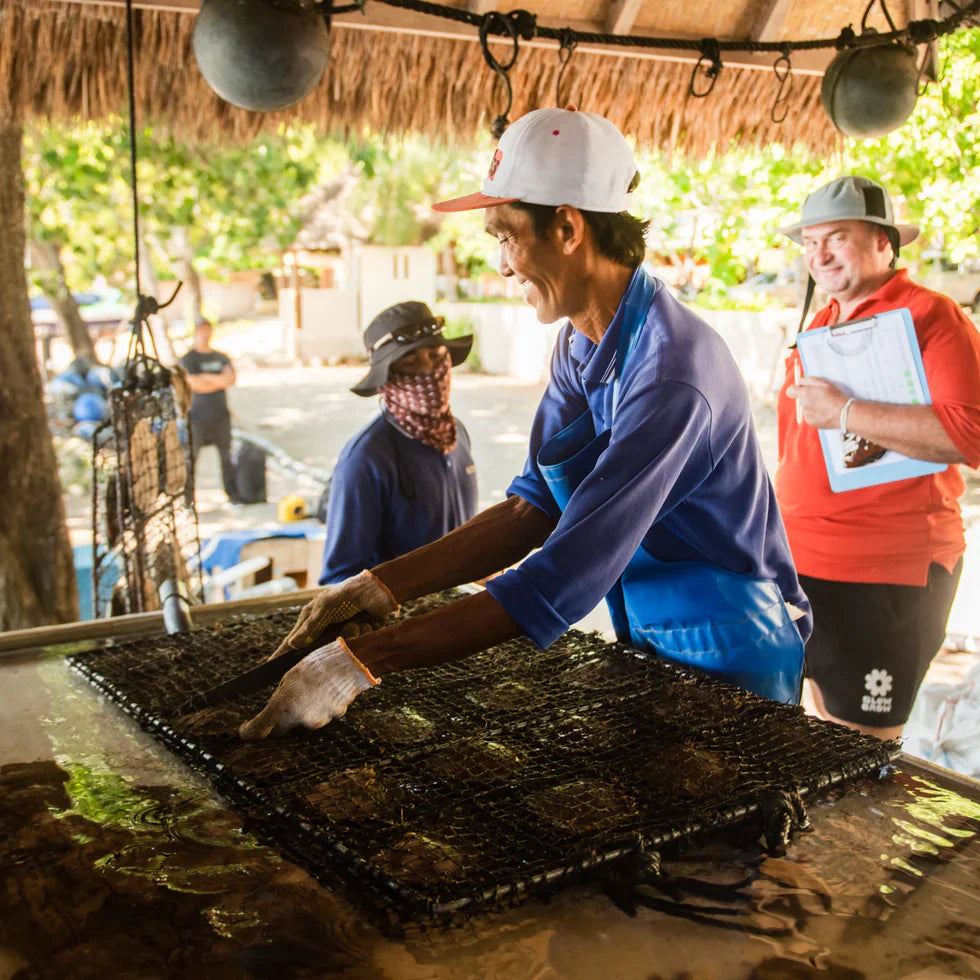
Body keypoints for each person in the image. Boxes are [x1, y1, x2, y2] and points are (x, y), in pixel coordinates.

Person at [239, 107, 811, 741]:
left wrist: (361, 662)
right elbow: (532, 506)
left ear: (567, 227)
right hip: (652, 627)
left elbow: (566, 573)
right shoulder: (579, 342)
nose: (503, 266)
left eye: (505, 237)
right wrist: (374, 587)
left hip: (734, 644)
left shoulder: (672, 371)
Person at [775, 175, 980, 740]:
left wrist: (846, 412)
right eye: (810, 242)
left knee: (861, 747)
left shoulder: (932, 315)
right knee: (814, 726)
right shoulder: (823, 320)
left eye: (836, 238)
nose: (819, 255)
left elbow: (970, 433)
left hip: (885, 568)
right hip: (802, 558)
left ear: (884, 242)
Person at [318, 301, 478, 584]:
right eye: (410, 361)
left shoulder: (457, 435)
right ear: (388, 377)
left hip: (463, 604)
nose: (428, 370)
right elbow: (339, 578)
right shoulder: (365, 461)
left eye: (435, 355)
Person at [179, 319, 239, 505]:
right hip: (197, 416)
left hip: (220, 414)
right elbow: (194, 384)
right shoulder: (189, 359)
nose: (205, 334)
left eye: (207, 330)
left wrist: (206, 378)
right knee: (192, 457)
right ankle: (188, 499)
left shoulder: (221, 357)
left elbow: (230, 379)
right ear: (195, 332)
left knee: (226, 456)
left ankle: (232, 494)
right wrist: (217, 380)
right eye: (201, 330)